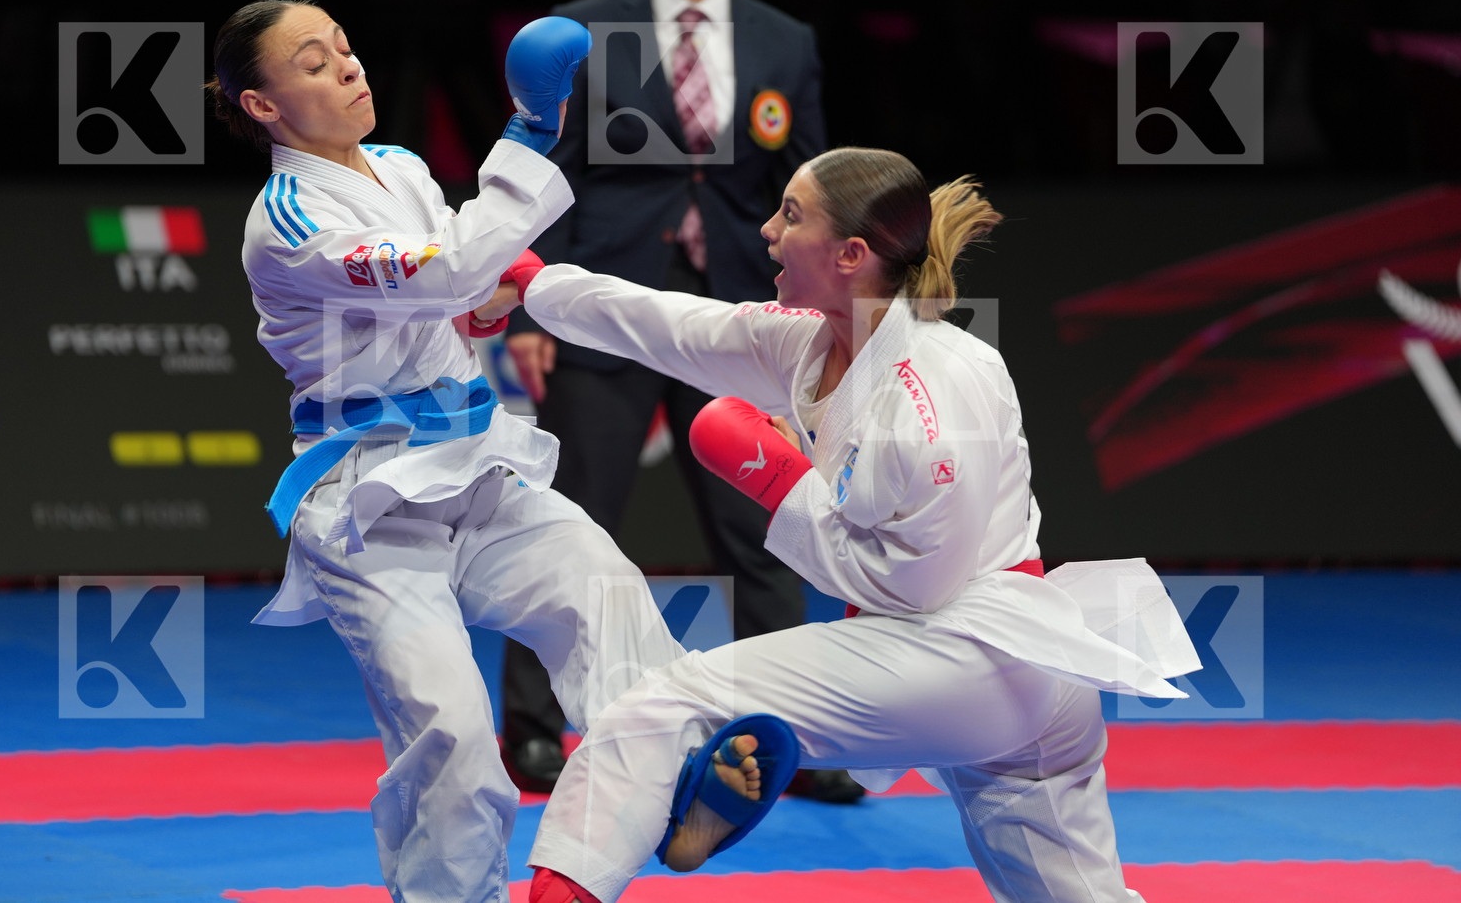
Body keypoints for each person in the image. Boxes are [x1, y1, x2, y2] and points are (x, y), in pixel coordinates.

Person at [470, 149, 1199, 903]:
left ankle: (574, 882)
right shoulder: (816, 342)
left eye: (791, 215)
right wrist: (536, 283)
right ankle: (686, 799)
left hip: (978, 654)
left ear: (851, 255)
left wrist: (783, 485)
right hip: (1021, 680)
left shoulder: (931, 395)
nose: (765, 231)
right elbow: (679, 327)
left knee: (671, 702)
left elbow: (917, 588)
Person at [209, 0, 684, 903]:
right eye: (314, 62)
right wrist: (531, 131)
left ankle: (684, 781)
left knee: (609, 599)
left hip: (478, 463)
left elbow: (449, 295)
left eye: (345, 48)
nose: (348, 67)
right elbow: (442, 269)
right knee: (454, 738)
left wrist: (485, 302)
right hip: (369, 503)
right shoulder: (290, 222)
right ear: (263, 105)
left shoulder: (398, 167)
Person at [502, 0, 853, 802]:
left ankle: (794, 738)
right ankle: (533, 728)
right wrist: (533, 302)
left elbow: (810, 182)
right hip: (605, 301)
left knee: (769, 527)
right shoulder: (586, 28)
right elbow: (547, 174)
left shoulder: (787, 40)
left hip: (739, 313)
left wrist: (822, 305)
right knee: (569, 526)